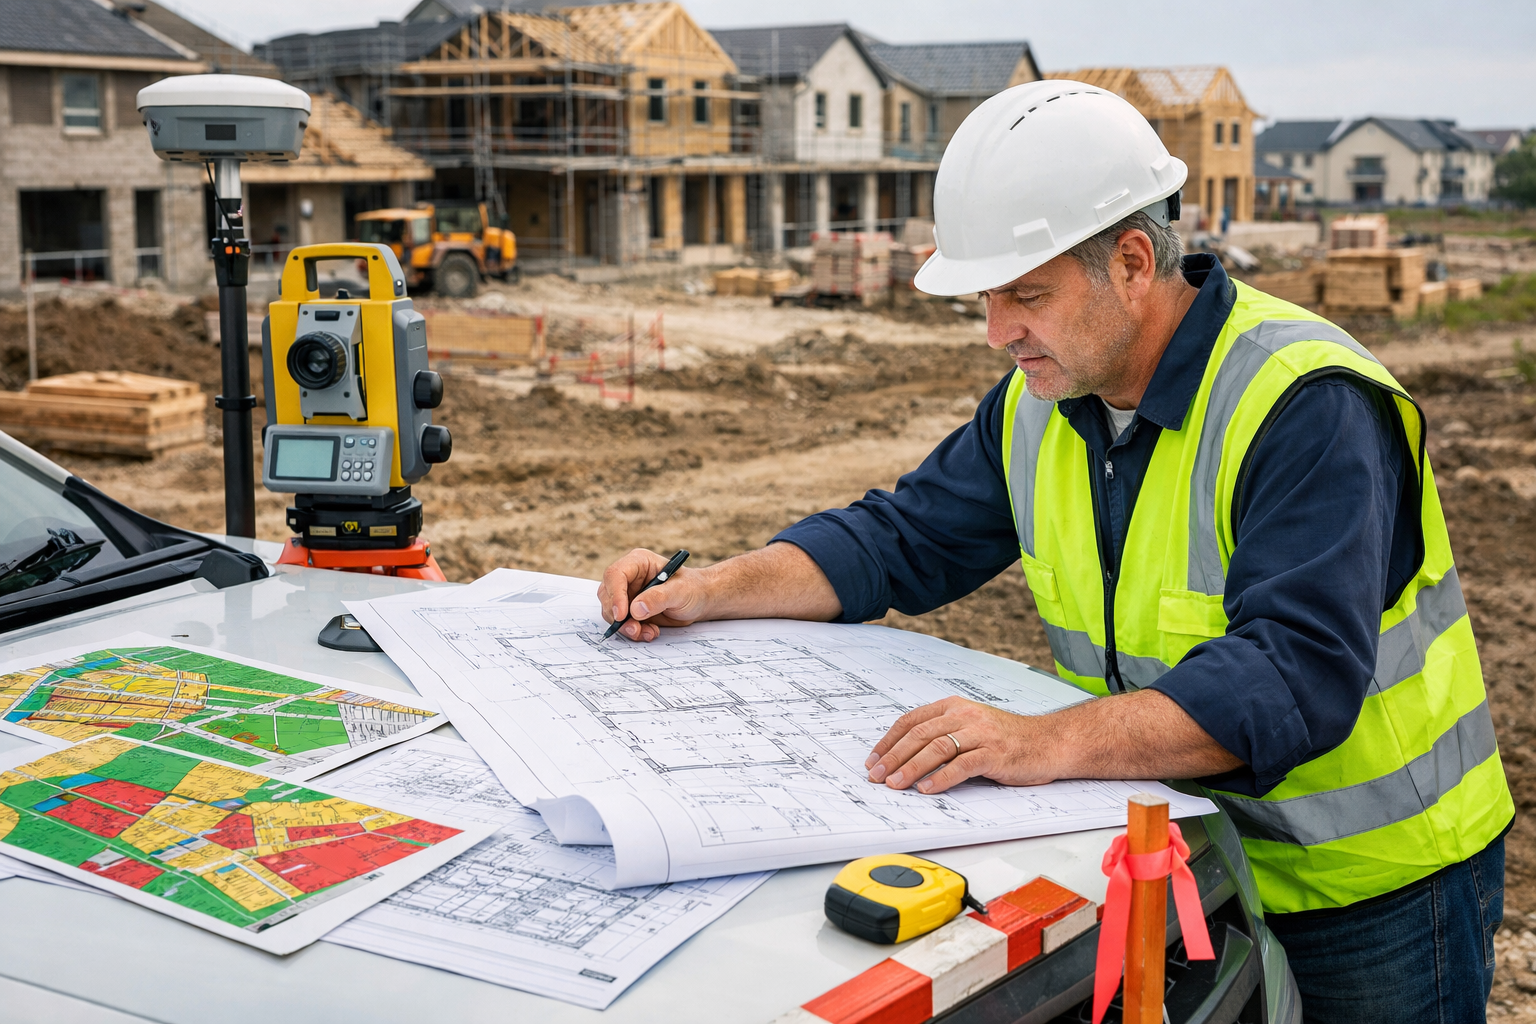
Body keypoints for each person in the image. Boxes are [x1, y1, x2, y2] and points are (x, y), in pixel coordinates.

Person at [598, 81, 1511, 1023]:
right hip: (1189, 852)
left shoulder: (1304, 403)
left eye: (1026, 295)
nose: (998, 333)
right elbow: (898, 537)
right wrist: (709, 589)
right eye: (987, 299)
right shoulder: (1042, 403)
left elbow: (1293, 676)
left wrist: (1041, 743)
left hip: (1379, 890)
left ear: (1129, 262)